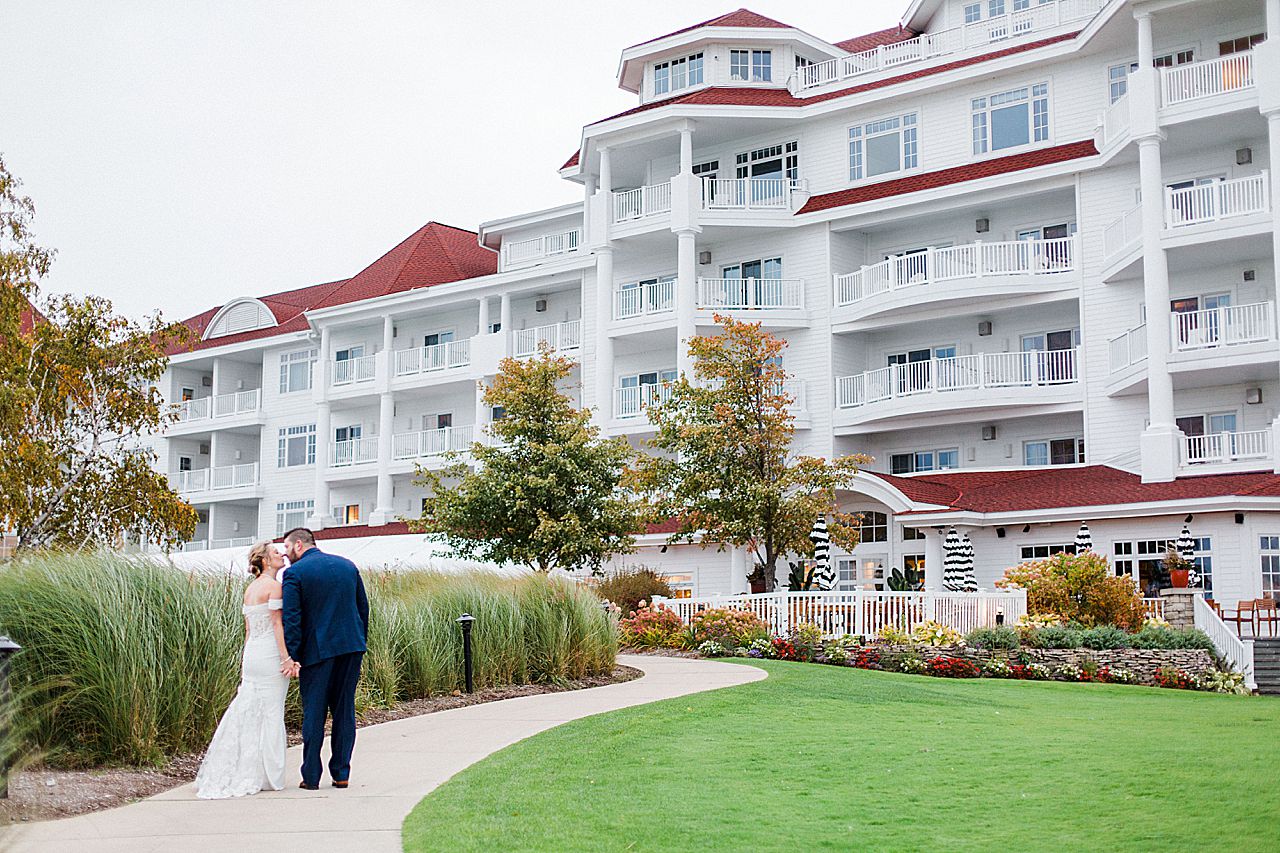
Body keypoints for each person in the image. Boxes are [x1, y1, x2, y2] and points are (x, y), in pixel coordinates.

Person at [195, 541, 300, 799]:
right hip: (270, 654)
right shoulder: (274, 587)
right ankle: (269, 775)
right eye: (275, 552)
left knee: (250, 709)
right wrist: (286, 658)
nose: (281, 554)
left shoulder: (250, 589)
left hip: (252, 654)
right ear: (264, 560)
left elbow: (248, 630)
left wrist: (247, 657)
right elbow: (276, 624)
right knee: (272, 712)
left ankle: (243, 767)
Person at [280, 527, 370, 790]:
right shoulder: (347, 566)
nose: (285, 554)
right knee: (344, 710)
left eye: (287, 547)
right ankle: (341, 774)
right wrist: (359, 640)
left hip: (316, 652)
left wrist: (294, 654)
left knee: (314, 712)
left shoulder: (295, 573)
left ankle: (311, 776)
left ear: (298, 544)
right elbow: (362, 608)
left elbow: (292, 618)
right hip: (351, 646)